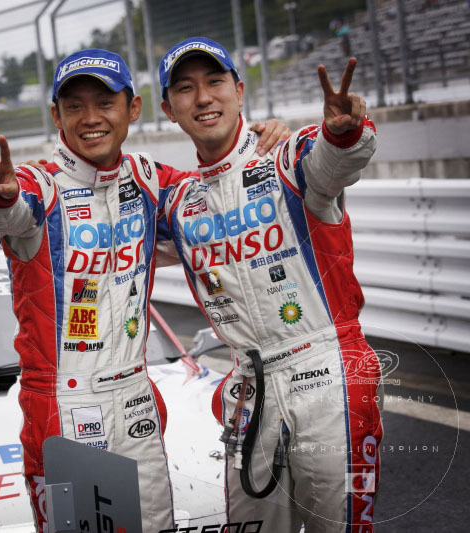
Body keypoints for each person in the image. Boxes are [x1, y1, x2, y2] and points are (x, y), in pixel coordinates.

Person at [0, 48, 289, 532]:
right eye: (74, 106)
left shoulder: (147, 179)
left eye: (105, 103)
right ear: (56, 116)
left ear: (132, 108)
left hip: (136, 395)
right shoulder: (37, 184)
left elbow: (217, 190)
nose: (90, 118)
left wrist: (259, 142)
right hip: (65, 405)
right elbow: (8, 215)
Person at [157, 37, 383, 531]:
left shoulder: (289, 158)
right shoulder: (178, 203)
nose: (203, 97)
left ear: (239, 91)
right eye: (185, 88)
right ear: (168, 109)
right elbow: (115, 239)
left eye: (215, 81)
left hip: (328, 376)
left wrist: (345, 131)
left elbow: (338, 158)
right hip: (249, 391)